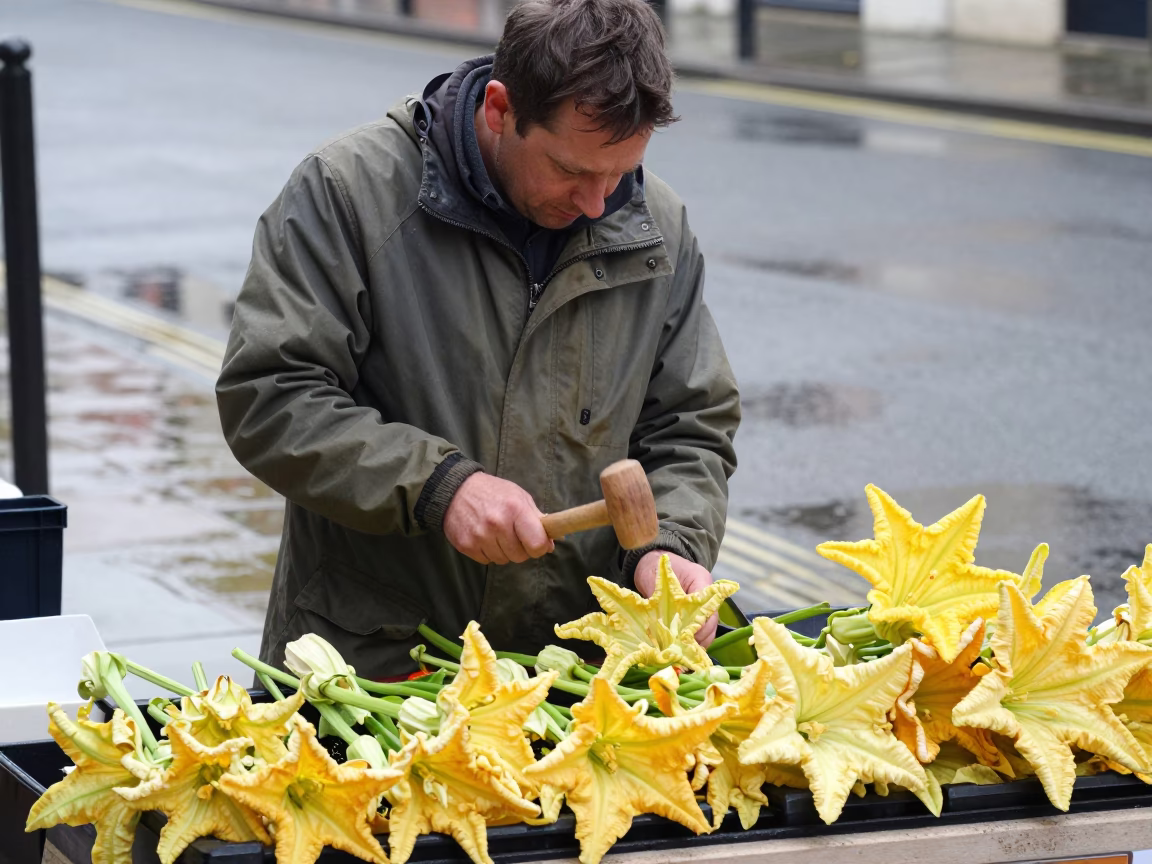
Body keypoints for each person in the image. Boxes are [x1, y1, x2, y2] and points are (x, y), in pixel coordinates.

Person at [216, 0, 740, 677]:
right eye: (570, 170)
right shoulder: (347, 192)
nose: (596, 200)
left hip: (575, 677)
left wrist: (668, 545)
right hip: (379, 668)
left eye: (618, 172)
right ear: (499, 108)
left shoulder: (657, 223)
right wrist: (439, 486)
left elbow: (690, 425)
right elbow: (271, 396)